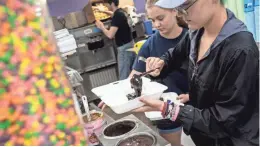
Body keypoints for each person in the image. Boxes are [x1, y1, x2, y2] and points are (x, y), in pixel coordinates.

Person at [133, 0, 259, 145]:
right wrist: (161, 64)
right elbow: (174, 55)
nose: (180, 14)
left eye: (185, 6)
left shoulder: (240, 50)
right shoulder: (197, 31)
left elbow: (225, 120)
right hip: (202, 135)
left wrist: (168, 109)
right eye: (178, 8)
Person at [128, 0, 189, 145]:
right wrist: (112, 95)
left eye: (160, 18)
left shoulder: (193, 38)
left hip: (197, 108)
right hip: (166, 112)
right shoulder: (149, 46)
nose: (156, 25)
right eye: (152, 20)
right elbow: (134, 76)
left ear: (174, 10)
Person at [95, 0, 135, 80]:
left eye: (107, 4)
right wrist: (104, 11)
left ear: (112, 3)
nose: (106, 6)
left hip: (124, 49)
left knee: (124, 76)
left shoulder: (117, 16)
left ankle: (126, 92)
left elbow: (110, 35)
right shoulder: (121, 12)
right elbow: (113, 14)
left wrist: (102, 27)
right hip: (130, 44)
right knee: (132, 73)